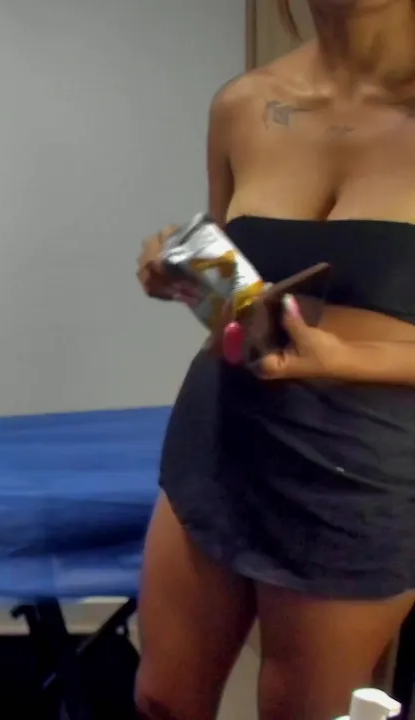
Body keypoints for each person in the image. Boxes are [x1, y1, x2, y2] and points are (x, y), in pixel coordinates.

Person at [133, 1, 415, 718]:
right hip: (222, 432)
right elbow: (240, 295)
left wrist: (347, 359)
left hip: (360, 466)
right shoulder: (244, 104)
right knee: (163, 701)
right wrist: (185, 273)